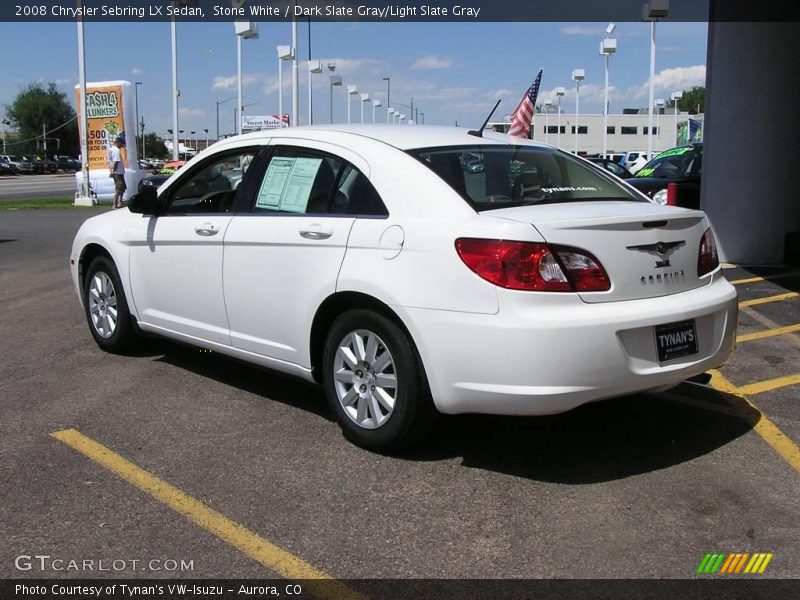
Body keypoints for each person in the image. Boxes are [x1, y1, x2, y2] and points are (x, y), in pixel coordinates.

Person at [108, 132, 127, 209]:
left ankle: (120, 202)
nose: (122, 146)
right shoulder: (116, 150)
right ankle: (114, 204)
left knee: (122, 188)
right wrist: (113, 171)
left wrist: (111, 171)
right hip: (118, 172)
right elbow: (116, 162)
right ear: (118, 142)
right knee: (118, 189)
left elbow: (109, 161)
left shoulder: (111, 149)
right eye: (122, 144)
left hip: (118, 172)